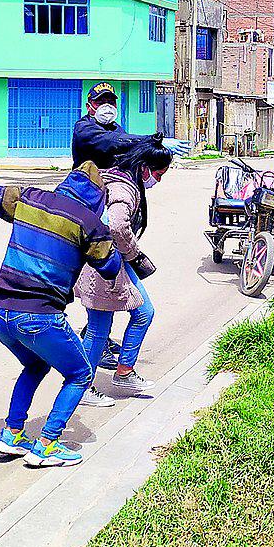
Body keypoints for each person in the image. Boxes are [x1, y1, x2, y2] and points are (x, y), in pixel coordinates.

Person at [0, 163, 122, 467]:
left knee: (36, 365)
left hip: (2, 315)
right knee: (81, 373)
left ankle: (13, 433)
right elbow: (109, 267)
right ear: (98, 198)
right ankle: (47, 444)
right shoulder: (88, 223)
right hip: (39, 318)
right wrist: (103, 231)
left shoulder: (28, 199)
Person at [75, 138, 170, 404]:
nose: (158, 181)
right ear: (144, 167)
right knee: (98, 327)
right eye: (158, 174)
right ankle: (82, 385)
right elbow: (116, 225)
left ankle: (124, 372)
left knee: (141, 313)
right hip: (104, 263)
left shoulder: (119, 180)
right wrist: (135, 254)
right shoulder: (123, 189)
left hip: (110, 261)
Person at [72, 82, 188, 169]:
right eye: (100, 103)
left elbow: (129, 151)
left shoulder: (116, 128)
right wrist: (153, 141)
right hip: (85, 187)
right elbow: (112, 142)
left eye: (111, 102)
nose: (107, 107)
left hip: (109, 183)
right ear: (88, 107)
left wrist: (157, 153)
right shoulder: (83, 128)